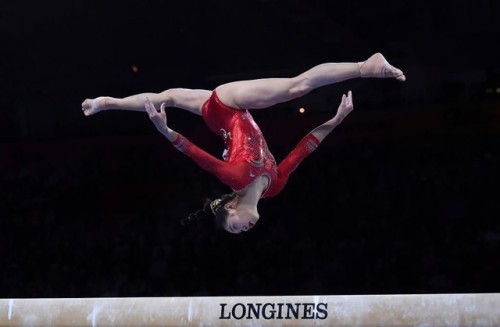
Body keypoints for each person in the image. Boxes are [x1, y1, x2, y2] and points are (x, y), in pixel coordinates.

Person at [82, 52, 405, 234]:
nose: (242, 231)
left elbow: (195, 154)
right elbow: (304, 149)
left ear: (230, 208)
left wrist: (162, 129)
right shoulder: (273, 187)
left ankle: (367, 67)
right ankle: (107, 102)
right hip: (217, 114)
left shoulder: (234, 178)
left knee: (296, 88)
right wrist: (336, 120)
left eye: (234, 228)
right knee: (167, 97)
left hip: (228, 105)